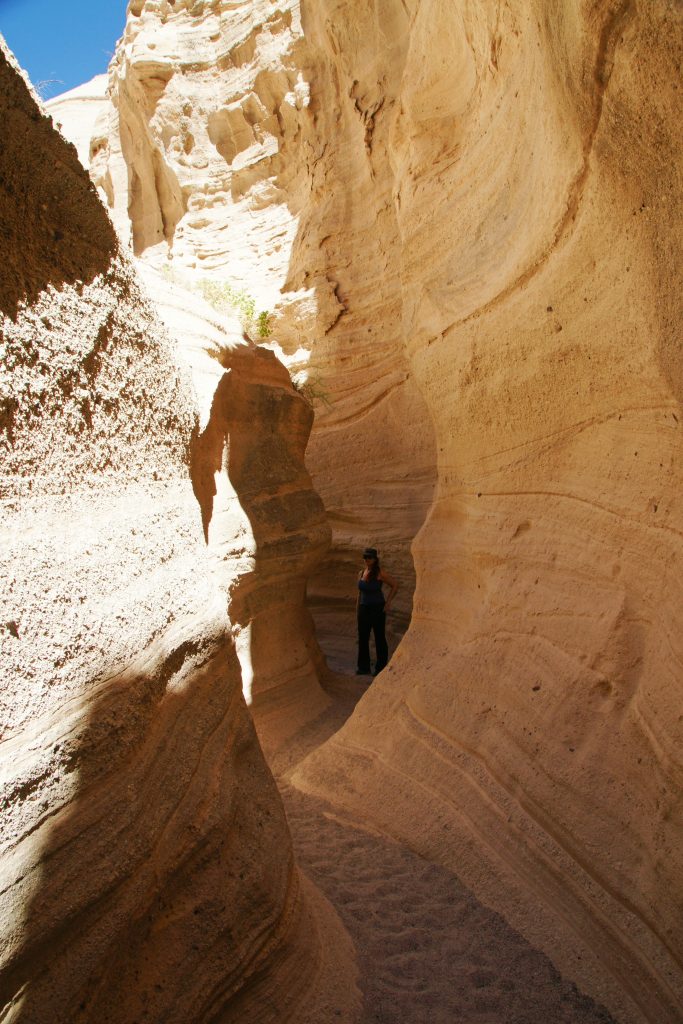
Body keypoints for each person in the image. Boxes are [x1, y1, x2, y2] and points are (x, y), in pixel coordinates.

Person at [356, 547, 398, 676]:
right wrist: (357, 608)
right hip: (364, 608)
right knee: (363, 638)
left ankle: (380, 667)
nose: (366, 560)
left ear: (375, 559)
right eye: (365, 557)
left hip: (377, 608)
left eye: (369, 558)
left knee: (379, 637)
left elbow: (395, 585)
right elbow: (359, 593)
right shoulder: (361, 573)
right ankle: (363, 668)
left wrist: (388, 602)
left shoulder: (380, 573)